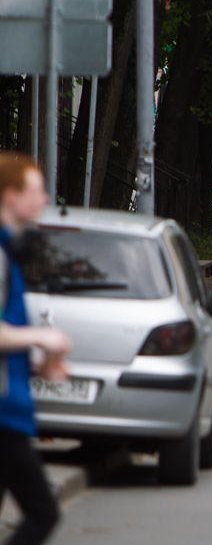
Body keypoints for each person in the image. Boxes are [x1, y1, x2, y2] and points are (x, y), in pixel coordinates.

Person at [0, 152, 72, 545]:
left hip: (8, 409)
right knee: (42, 513)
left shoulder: (9, 253)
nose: (45, 199)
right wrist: (41, 338)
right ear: (11, 197)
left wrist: (37, 363)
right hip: (3, 415)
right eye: (37, 191)